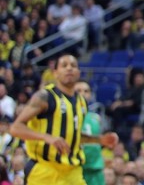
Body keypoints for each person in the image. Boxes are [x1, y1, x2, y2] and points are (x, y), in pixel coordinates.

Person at [9, 54, 119, 184]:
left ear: (78, 72)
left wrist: (99, 139)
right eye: (64, 65)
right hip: (45, 169)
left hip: (72, 171)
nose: (69, 68)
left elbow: (72, 135)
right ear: (55, 73)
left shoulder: (81, 102)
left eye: (73, 65)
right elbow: (16, 128)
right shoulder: (45, 96)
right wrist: (48, 137)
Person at [74, 81, 105, 185]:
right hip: (75, 167)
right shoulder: (66, 116)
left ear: (90, 94)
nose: (82, 93)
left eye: (86, 91)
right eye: (78, 91)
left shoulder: (96, 118)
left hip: (95, 169)